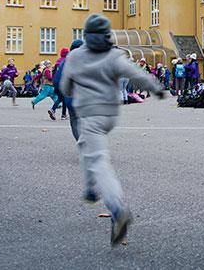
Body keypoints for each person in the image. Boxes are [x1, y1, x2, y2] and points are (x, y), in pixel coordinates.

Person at [60, 14, 166, 246]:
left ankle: (118, 209)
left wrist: (75, 87)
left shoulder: (76, 56)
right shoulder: (114, 54)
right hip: (109, 114)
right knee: (85, 146)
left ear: (86, 35)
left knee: (98, 160)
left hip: (89, 115)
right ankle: (90, 189)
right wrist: (156, 89)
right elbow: (136, 74)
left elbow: (65, 86)